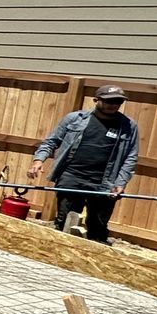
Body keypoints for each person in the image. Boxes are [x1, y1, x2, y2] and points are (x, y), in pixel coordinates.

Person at [28, 85, 139, 244]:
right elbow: (52, 142)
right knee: (66, 222)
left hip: (105, 183)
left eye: (118, 101)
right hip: (72, 177)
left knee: (98, 227)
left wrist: (121, 183)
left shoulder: (128, 126)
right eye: (109, 101)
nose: (113, 105)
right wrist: (39, 160)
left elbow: (131, 157)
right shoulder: (75, 119)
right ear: (96, 100)